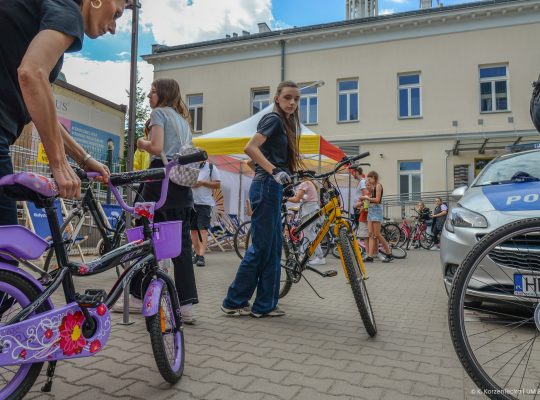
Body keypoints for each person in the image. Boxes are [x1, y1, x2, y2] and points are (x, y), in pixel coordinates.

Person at [0, 0, 124, 232]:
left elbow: (41, 108)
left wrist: (83, 158)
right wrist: (58, 164)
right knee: (6, 253)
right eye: (117, 14)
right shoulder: (69, 10)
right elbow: (32, 73)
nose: (114, 27)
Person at [221, 80, 302, 318]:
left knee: (273, 249)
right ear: (277, 98)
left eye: (296, 99)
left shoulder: (284, 124)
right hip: (266, 186)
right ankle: (233, 300)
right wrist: (274, 171)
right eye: (288, 97)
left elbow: (255, 159)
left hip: (270, 188)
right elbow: (250, 148)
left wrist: (284, 174)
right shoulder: (273, 119)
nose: (292, 103)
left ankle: (265, 305)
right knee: (261, 248)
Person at [135, 78, 198, 324]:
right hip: (181, 186)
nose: (149, 97)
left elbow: (156, 146)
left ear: (162, 94)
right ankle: (185, 305)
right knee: (180, 245)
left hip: (159, 181)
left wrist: (142, 143)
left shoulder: (158, 113)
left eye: (152, 92)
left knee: (144, 237)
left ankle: (138, 295)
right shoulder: (184, 120)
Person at [287, 177, 326, 266]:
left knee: (309, 233)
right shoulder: (311, 183)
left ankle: (320, 257)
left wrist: (285, 198)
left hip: (308, 210)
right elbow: (303, 198)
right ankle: (301, 255)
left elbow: (296, 199)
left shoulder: (305, 184)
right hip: (312, 209)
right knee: (308, 233)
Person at [190, 161, 221, 267]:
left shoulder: (211, 167)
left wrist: (203, 183)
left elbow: (217, 184)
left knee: (202, 230)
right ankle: (197, 254)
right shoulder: (191, 166)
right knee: (193, 230)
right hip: (191, 203)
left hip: (205, 203)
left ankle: (202, 256)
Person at [360, 171, 392, 263]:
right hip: (371, 210)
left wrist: (366, 198)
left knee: (377, 234)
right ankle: (370, 256)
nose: (368, 181)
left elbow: (377, 200)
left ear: (374, 177)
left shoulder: (378, 185)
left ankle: (388, 254)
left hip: (376, 210)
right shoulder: (373, 187)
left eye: (369, 179)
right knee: (370, 234)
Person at [350, 164, 369, 251]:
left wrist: (362, 207)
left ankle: (364, 249)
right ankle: (363, 248)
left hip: (359, 209)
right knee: (360, 229)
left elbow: (366, 195)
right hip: (358, 208)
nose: (352, 174)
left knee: (362, 230)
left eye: (353, 172)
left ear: (357, 172)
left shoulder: (362, 181)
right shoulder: (361, 182)